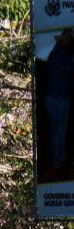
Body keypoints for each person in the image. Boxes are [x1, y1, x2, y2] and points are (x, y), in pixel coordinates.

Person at [44, 29, 74, 179]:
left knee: (61, 131)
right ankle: (57, 163)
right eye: (68, 38)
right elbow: (66, 73)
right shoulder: (57, 54)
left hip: (62, 97)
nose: (70, 40)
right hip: (56, 99)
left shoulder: (64, 53)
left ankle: (60, 160)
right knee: (57, 132)